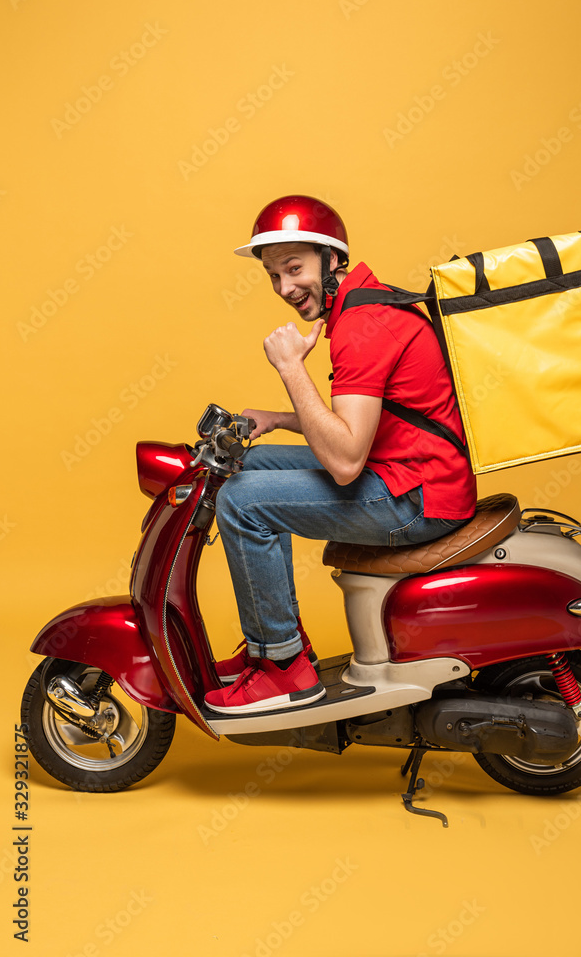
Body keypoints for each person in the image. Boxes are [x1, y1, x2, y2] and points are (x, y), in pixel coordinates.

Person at [204, 195, 477, 715]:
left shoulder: (362, 325)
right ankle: (277, 643)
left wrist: (290, 369)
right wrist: (279, 419)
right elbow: (364, 430)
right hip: (409, 474)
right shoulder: (363, 307)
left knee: (241, 501)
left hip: (417, 499)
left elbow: (347, 459)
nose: (285, 288)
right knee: (247, 467)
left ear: (332, 260)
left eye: (294, 268)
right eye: (272, 275)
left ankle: (282, 668)